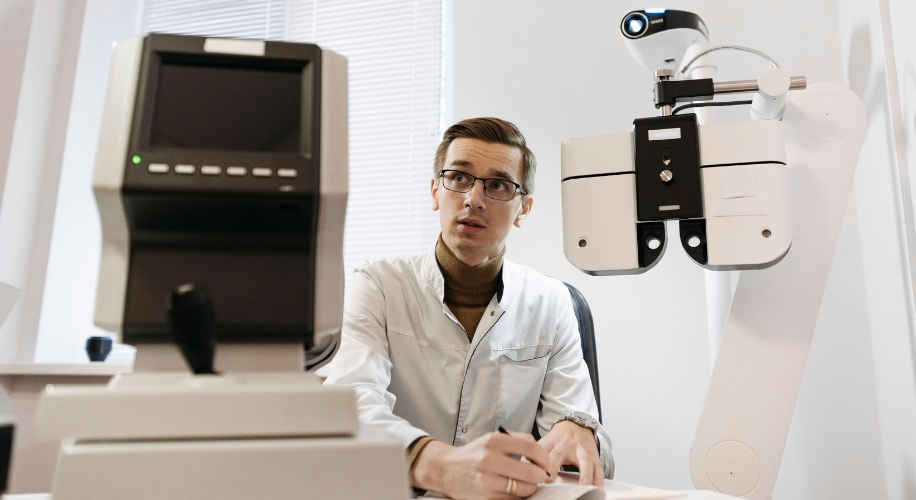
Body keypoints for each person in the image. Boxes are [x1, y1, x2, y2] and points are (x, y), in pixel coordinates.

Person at [324, 117, 613, 499]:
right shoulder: (378, 285)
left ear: (523, 209)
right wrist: (439, 466)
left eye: (497, 185)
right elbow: (348, 406)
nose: (473, 199)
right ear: (434, 191)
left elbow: (592, 447)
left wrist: (580, 433)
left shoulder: (551, 301)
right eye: (459, 178)